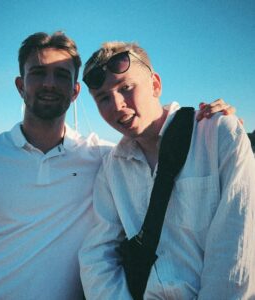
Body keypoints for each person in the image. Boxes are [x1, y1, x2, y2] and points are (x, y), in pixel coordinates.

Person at [0, 30, 235, 300]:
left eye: (62, 75)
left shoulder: (105, 157)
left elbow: (158, 149)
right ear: (20, 85)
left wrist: (214, 127)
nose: (49, 83)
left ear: (75, 91)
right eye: (38, 73)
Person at [79, 41, 255, 299]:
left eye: (126, 88)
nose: (116, 105)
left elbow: (236, 251)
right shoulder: (111, 168)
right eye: (103, 98)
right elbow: (97, 256)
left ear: (155, 84)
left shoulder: (217, 134)